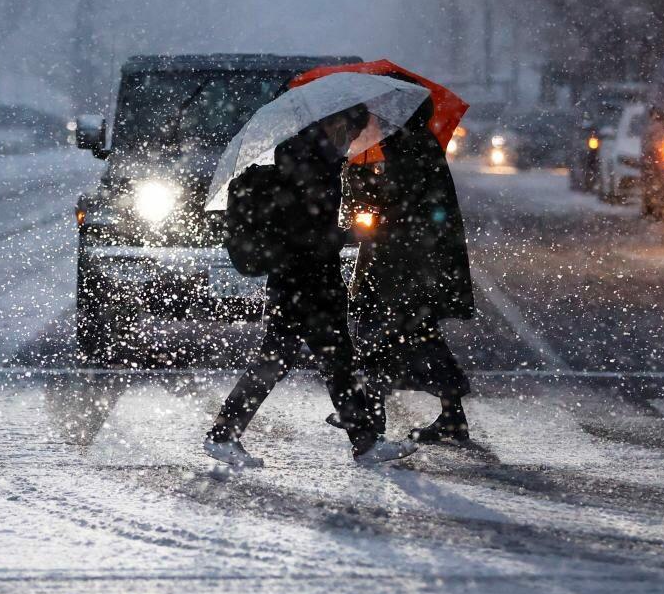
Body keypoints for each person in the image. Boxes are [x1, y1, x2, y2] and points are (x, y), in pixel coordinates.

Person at [204, 107, 419, 469]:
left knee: (330, 362)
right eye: (350, 133)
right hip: (304, 281)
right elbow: (307, 232)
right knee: (300, 360)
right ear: (335, 123)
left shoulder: (314, 158)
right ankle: (223, 436)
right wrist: (351, 233)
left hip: (306, 279)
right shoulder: (307, 162)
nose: (352, 141)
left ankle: (364, 443)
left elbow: (308, 226)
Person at [347, 96, 476, 444]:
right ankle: (442, 415)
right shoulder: (410, 144)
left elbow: (398, 201)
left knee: (384, 333)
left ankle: (371, 414)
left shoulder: (410, 147)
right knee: (408, 335)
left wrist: (362, 181)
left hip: (404, 265)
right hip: (406, 263)